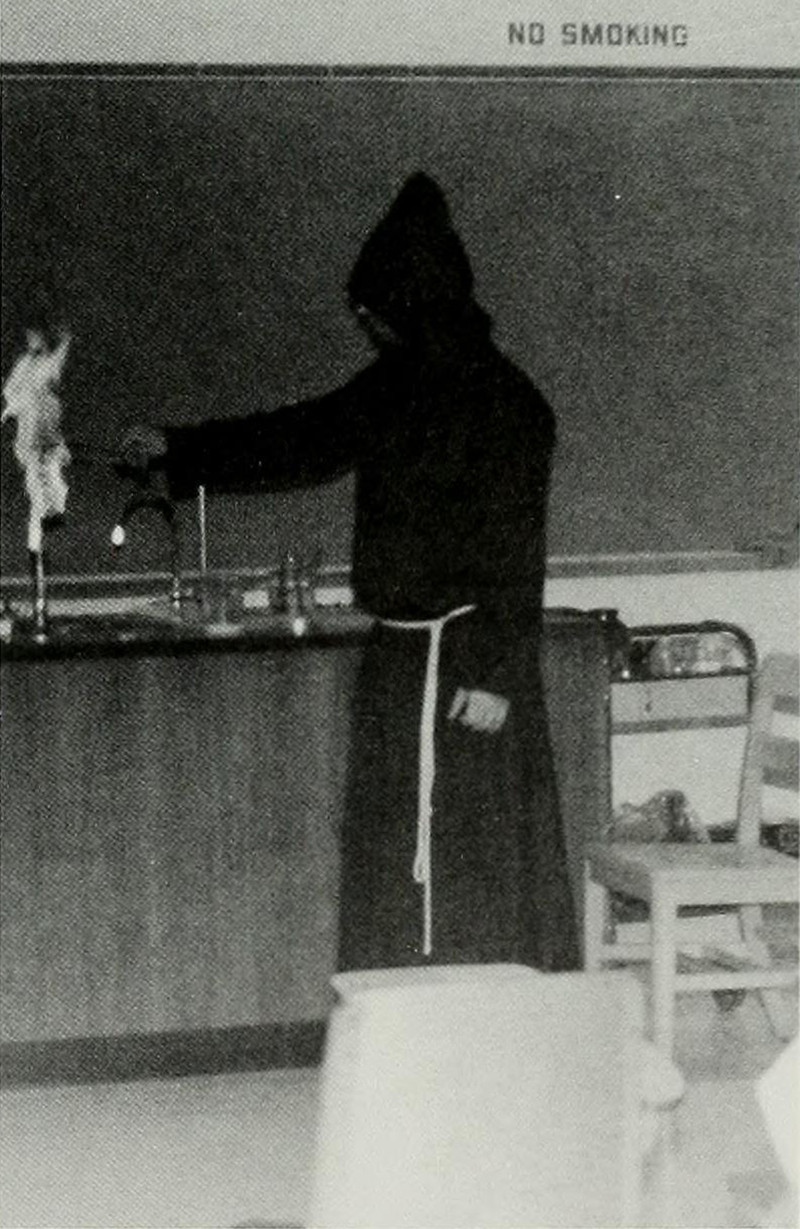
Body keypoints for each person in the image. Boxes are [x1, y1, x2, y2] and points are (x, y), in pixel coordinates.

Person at [121, 172, 579, 973]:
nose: (369, 326)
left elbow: (516, 552)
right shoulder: (397, 385)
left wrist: (492, 672)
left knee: (467, 854)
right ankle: (399, 1011)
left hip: (469, 670)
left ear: (412, 301)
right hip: (403, 659)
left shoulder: (508, 403)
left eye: (374, 313)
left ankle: (480, 1020)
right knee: (394, 847)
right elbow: (301, 437)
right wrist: (178, 447)